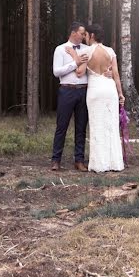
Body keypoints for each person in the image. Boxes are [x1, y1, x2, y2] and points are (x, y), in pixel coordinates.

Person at [64, 24, 125, 173]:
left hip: (96, 90)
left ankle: (99, 164)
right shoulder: (110, 51)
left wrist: (73, 55)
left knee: (97, 126)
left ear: (91, 36)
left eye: (86, 35)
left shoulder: (87, 51)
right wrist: (120, 94)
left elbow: (79, 72)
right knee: (110, 125)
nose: (84, 37)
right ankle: (114, 163)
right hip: (109, 89)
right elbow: (116, 74)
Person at [50, 22, 90, 171]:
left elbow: (90, 70)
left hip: (84, 91)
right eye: (82, 33)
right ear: (73, 33)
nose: (84, 35)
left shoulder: (87, 49)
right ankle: (56, 160)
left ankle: (79, 160)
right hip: (66, 91)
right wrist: (75, 63)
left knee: (81, 127)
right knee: (62, 126)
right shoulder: (60, 49)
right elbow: (56, 71)